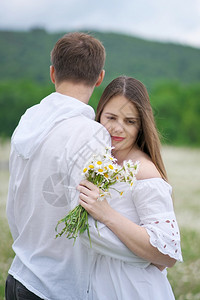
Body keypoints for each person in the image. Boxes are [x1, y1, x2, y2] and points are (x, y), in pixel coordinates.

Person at [5, 32, 111, 300]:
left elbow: (13, 205)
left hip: (19, 274)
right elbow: (93, 220)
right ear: (100, 77)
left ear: (53, 73)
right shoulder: (92, 134)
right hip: (58, 286)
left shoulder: (28, 120)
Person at [77, 76, 183, 300]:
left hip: (132, 290)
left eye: (130, 121)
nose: (118, 128)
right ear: (99, 114)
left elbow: (167, 255)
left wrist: (107, 214)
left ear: (141, 126)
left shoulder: (144, 172)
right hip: (93, 285)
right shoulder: (97, 159)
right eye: (111, 117)